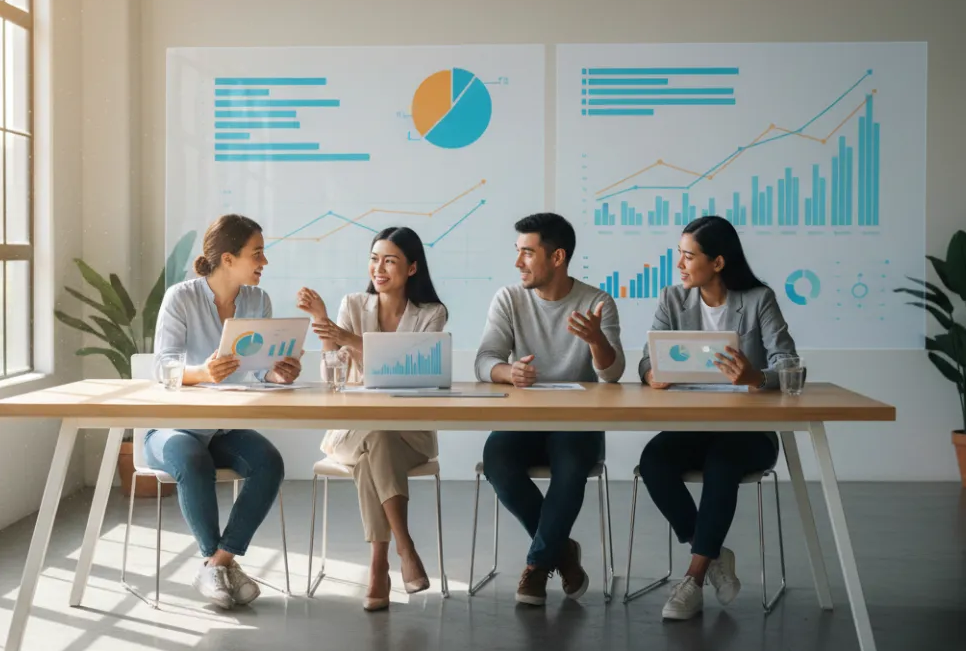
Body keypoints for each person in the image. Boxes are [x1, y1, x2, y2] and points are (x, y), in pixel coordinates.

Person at [637, 215, 799, 620]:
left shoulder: (759, 299)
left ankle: (692, 578)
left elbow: (791, 365)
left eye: (688, 256)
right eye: (680, 255)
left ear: (718, 263)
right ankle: (711, 552)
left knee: (721, 464)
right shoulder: (673, 299)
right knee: (654, 461)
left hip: (749, 432)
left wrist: (757, 377)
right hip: (693, 425)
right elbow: (645, 359)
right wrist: (650, 374)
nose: (680, 265)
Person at [146, 214, 302, 609]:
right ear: (228, 258)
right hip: (172, 430)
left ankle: (219, 562)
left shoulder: (257, 301)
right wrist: (202, 372)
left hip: (221, 429)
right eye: (258, 254)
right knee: (192, 459)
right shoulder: (181, 297)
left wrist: (277, 373)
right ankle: (217, 564)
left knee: (269, 461)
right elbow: (162, 368)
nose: (264, 262)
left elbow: (259, 368)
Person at [475, 212, 625, 606]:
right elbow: (484, 359)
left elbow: (611, 375)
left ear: (557, 257)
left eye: (527, 252)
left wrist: (596, 342)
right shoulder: (509, 299)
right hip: (524, 421)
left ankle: (539, 565)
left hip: (577, 423)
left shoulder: (596, 302)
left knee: (572, 465)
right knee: (496, 461)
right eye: (518, 252)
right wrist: (509, 372)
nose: (518, 262)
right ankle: (561, 551)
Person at [296, 227, 448, 611]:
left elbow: (414, 372)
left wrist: (349, 338)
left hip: (409, 435)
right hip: (353, 430)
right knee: (374, 436)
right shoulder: (353, 305)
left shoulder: (432, 314)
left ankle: (379, 566)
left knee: (374, 450)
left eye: (390, 260)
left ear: (412, 268)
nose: (378, 268)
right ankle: (403, 546)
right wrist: (325, 326)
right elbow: (334, 369)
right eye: (374, 258)